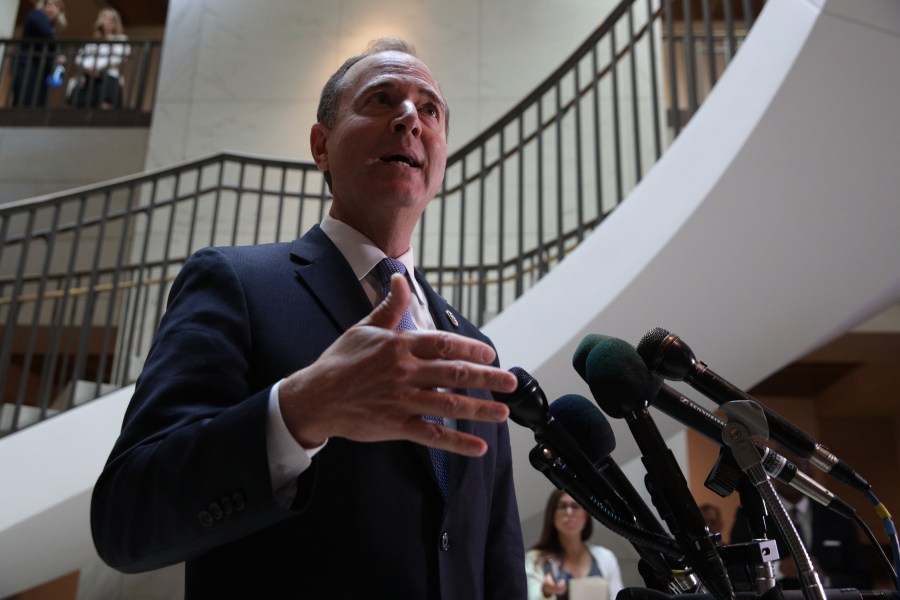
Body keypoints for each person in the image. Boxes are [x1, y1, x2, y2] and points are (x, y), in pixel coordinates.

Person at [90, 38, 527, 599]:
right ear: (321, 146)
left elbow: (497, 561)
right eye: (381, 99)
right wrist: (301, 410)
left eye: (431, 109)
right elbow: (127, 517)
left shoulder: (470, 346)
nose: (410, 119)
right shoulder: (237, 284)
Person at [730, 457, 872, 590]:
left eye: (797, 469)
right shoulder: (751, 513)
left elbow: (863, 580)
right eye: (782, 468)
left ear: (810, 474)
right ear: (770, 474)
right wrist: (779, 569)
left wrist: (825, 580)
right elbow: (735, 572)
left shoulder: (838, 516)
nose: (790, 476)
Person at [526, 490, 624, 600]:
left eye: (575, 506)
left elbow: (617, 596)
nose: (569, 512)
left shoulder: (606, 558)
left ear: (586, 515)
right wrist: (546, 591)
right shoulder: (534, 559)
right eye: (562, 506)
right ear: (552, 515)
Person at [69, 7, 130, 109]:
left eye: (111, 19)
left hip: (109, 77)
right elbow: (80, 58)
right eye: (105, 18)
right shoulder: (92, 42)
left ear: (116, 23)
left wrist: (98, 68)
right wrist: (88, 68)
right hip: (88, 77)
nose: (108, 22)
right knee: (81, 103)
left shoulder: (121, 39)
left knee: (105, 105)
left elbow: (120, 57)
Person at [10, 0, 66, 107]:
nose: (51, 8)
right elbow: (47, 34)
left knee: (36, 108)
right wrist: (57, 53)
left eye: (55, 6)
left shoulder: (52, 29)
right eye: (48, 4)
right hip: (27, 69)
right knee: (23, 105)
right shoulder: (36, 16)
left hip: (40, 76)